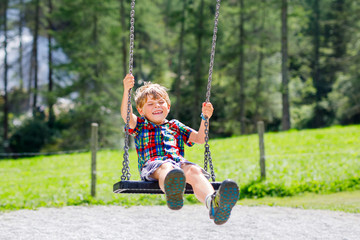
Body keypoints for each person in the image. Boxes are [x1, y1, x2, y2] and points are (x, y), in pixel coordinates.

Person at [121, 73, 239, 225]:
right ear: (141, 110)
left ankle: (214, 204)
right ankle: (173, 192)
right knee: (166, 167)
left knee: (194, 171)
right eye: (150, 104)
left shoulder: (175, 125)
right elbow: (126, 115)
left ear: (168, 107)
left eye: (161, 102)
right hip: (153, 165)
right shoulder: (140, 124)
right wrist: (126, 90)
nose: (157, 106)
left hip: (178, 164)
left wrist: (205, 118)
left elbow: (200, 138)